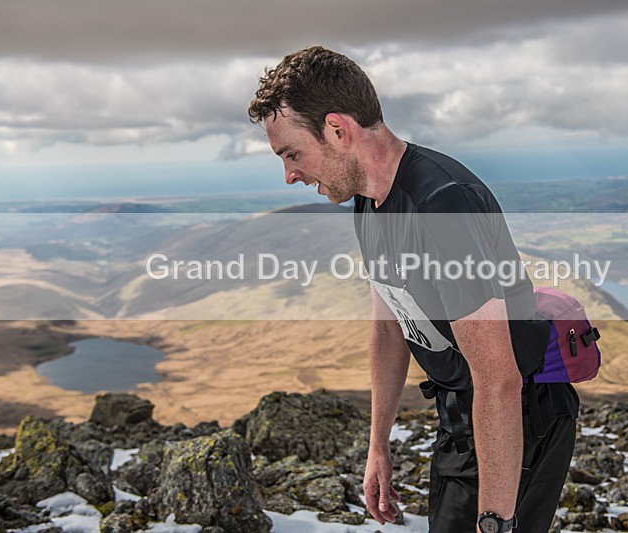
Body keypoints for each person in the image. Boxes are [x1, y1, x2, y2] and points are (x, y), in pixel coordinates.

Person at [248, 45, 579, 533]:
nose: (289, 174)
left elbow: (498, 379)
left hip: (518, 420)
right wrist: (377, 445)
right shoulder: (370, 203)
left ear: (338, 130)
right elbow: (389, 326)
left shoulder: (442, 207)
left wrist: (494, 524)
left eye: (292, 153)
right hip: (460, 417)